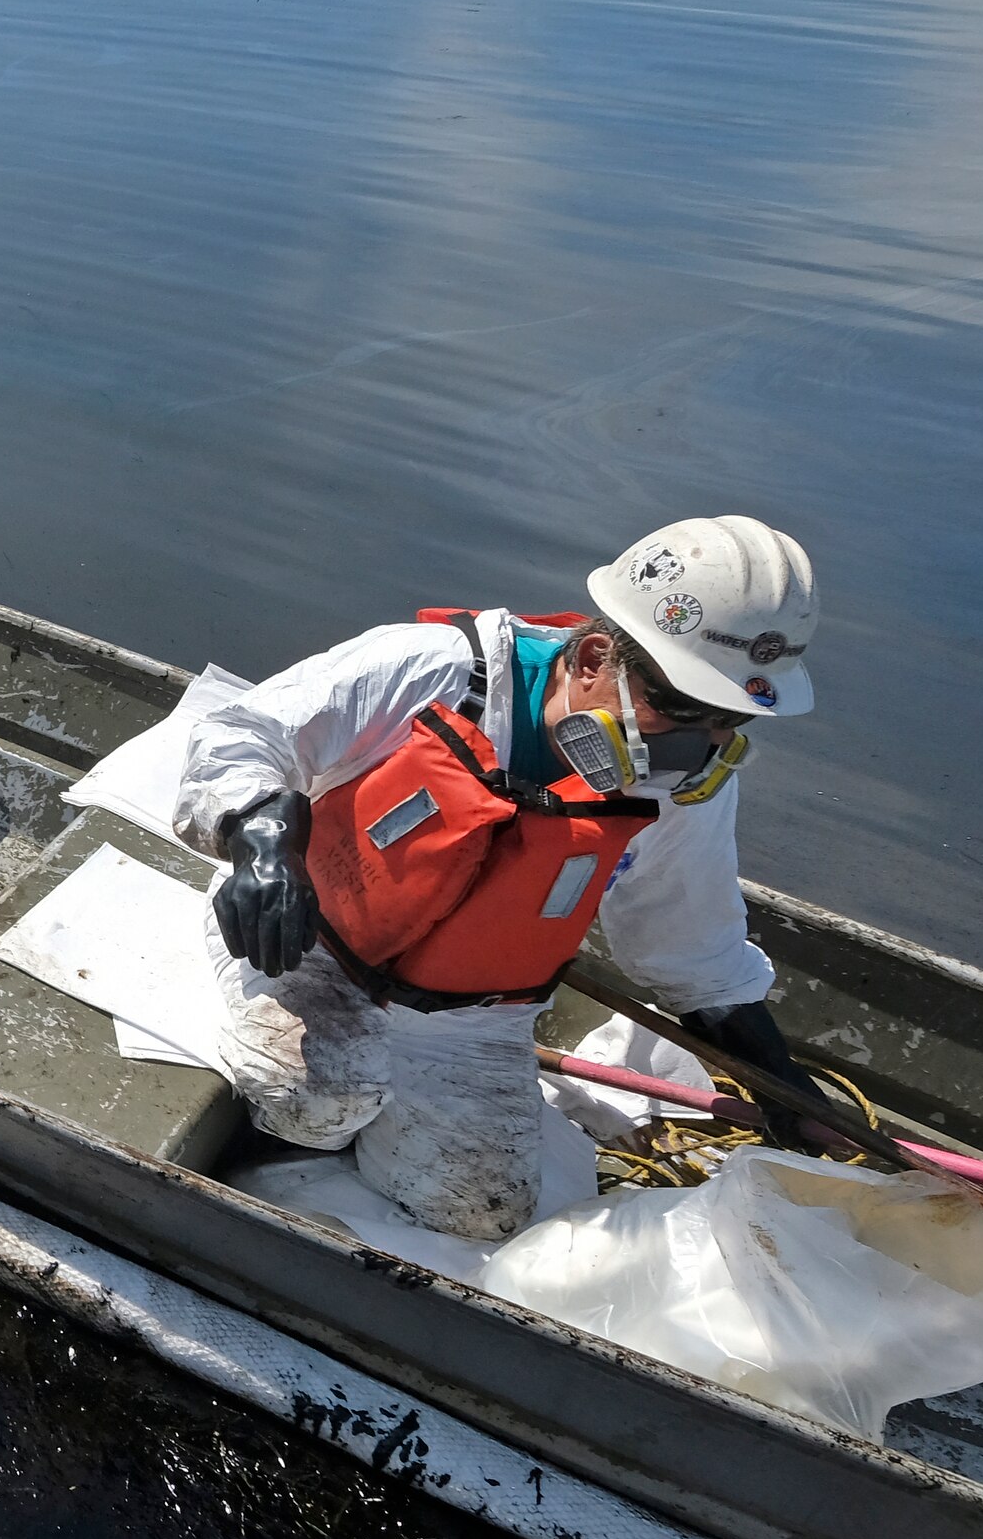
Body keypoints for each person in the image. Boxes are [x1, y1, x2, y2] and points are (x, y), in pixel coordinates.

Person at [174, 515, 828, 1242]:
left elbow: (687, 944)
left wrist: (782, 1080)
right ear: (593, 658)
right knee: (316, 1099)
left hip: (470, 1017)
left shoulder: (678, 780)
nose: (695, 750)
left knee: (481, 1212)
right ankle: (235, 1173)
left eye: (727, 724)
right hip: (309, 946)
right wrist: (259, 842)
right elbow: (243, 734)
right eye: (678, 711)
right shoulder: (438, 669)